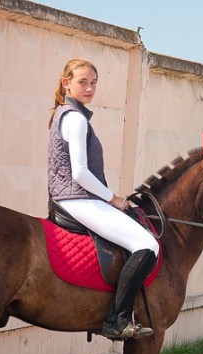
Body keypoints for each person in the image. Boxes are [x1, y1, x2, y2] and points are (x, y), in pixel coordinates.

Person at [47, 58, 159, 339]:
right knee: (148, 244)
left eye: (93, 83)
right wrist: (116, 199)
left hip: (73, 198)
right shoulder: (75, 119)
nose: (89, 88)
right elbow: (81, 174)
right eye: (82, 82)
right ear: (66, 83)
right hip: (78, 199)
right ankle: (116, 320)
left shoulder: (67, 114)